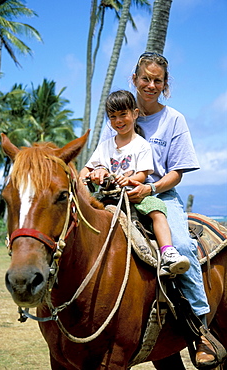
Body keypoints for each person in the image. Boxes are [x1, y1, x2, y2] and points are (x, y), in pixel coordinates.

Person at [81, 53, 217, 367]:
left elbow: (177, 172)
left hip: (159, 195)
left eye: (158, 80)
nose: (151, 85)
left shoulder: (174, 120)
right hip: (118, 197)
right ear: (135, 79)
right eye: (146, 79)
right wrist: (98, 173)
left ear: (165, 85)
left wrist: (150, 188)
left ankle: (201, 331)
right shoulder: (121, 114)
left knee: (181, 246)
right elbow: (102, 158)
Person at [82, 89, 190, 276]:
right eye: (112, 116)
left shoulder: (141, 145)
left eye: (123, 114)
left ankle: (168, 251)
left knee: (157, 209)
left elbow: (142, 174)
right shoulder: (105, 146)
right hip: (108, 198)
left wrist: (129, 180)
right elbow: (88, 169)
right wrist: (95, 174)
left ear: (135, 114)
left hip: (135, 196)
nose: (118, 121)